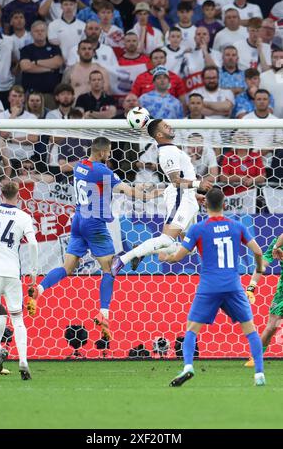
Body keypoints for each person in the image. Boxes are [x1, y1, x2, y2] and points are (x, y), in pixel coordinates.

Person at [27, 137, 160, 339]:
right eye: (108, 152)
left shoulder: (80, 166)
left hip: (78, 220)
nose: (109, 155)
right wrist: (152, 195)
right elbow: (129, 191)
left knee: (67, 268)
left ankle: (39, 289)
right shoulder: (102, 171)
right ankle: (104, 314)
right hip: (95, 224)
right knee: (110, 269)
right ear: (101, 153)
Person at [162, 188, 265, 387]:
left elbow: (179, 256)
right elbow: (258, 250)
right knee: (250, 330)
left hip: (209, 286)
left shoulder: (198, 229)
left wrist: (166, 257)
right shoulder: (237, 226)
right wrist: (259, 267)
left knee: (191, 329)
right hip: (233, 286)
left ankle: (188, 367)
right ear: (224, 204)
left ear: (205, 204)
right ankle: (259, 374)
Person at [111, 119, 212, 276]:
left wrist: (194, 194)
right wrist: (198, 184)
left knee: (189, 248)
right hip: (181, 198)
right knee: (167, 240)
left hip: (187, 197)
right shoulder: (167, 152)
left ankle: (141, 249)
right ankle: (123, 259)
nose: (170, 127)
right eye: (165, 126)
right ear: (159, 134)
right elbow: (176, 181)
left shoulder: (171, 149)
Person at [0, 181, 38, 379]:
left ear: (1, 194)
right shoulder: (23, 216)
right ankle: (23, 361)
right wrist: (33, 271)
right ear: (18, 196)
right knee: (18, 319)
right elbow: (32, 244)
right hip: (12, 273)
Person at [244, 234, 283, 367]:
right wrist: (251, 286)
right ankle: (256, 357)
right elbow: (262, 264)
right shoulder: (276, 243)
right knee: (272, 325)